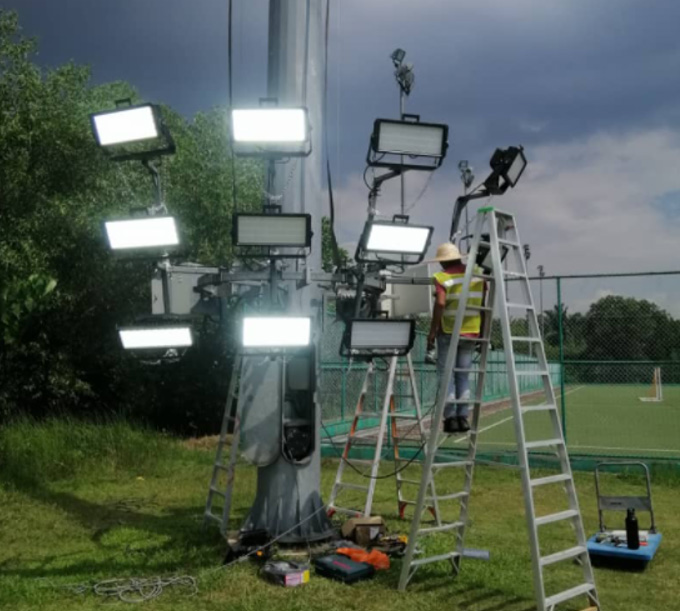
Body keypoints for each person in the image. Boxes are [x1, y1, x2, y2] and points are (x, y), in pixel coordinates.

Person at [426, 242, 485, 434]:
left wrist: (433, 331)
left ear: (443, 262)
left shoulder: (442, 277)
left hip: (449, 332)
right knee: (463, 376)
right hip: (472, 331)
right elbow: (484, 304)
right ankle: (463, 417)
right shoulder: (477, 274)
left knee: (446, 376)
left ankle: (450, 418)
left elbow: (441, 303)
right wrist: (483, 333)